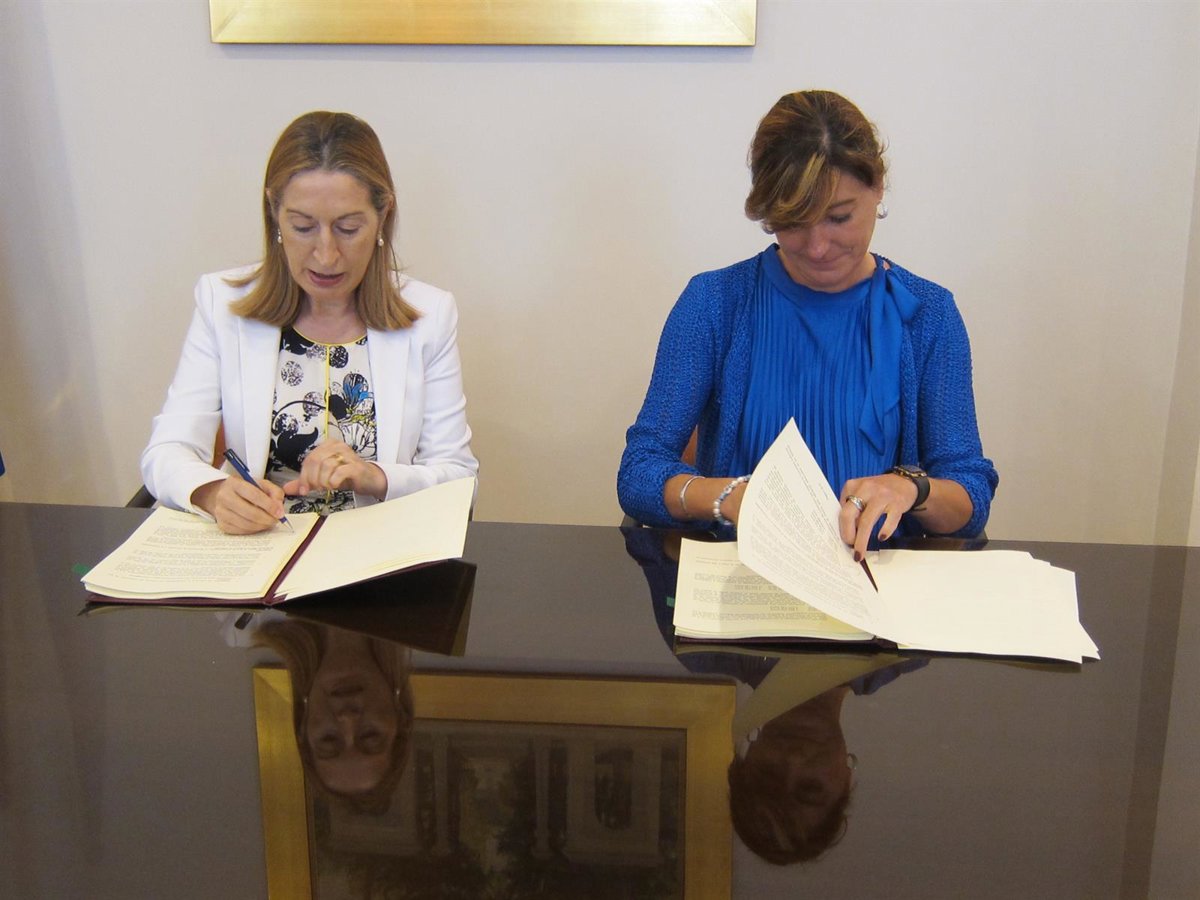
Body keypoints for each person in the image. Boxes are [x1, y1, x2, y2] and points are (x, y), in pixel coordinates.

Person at [618, 90, 997, 557]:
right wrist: (730, 497)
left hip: (875, 578)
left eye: (839, 217)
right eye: (793, 222)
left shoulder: (928, 315)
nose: (817, 247)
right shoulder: (714, 303)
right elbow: (639, 471)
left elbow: (970, 494)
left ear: (878, 188)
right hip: (742, 571)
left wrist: (911, 489)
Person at [142, 111, 477, 534]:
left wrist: (376, 476)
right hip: (262, 546)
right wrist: (212, 493)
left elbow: (460, 479)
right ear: (275, 215)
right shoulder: (222, 303)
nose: (326, 254)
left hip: (377, 551)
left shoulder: (430, 315)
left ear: (383, 215)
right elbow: (166, 451)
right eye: (303, 227)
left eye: (348, 228)